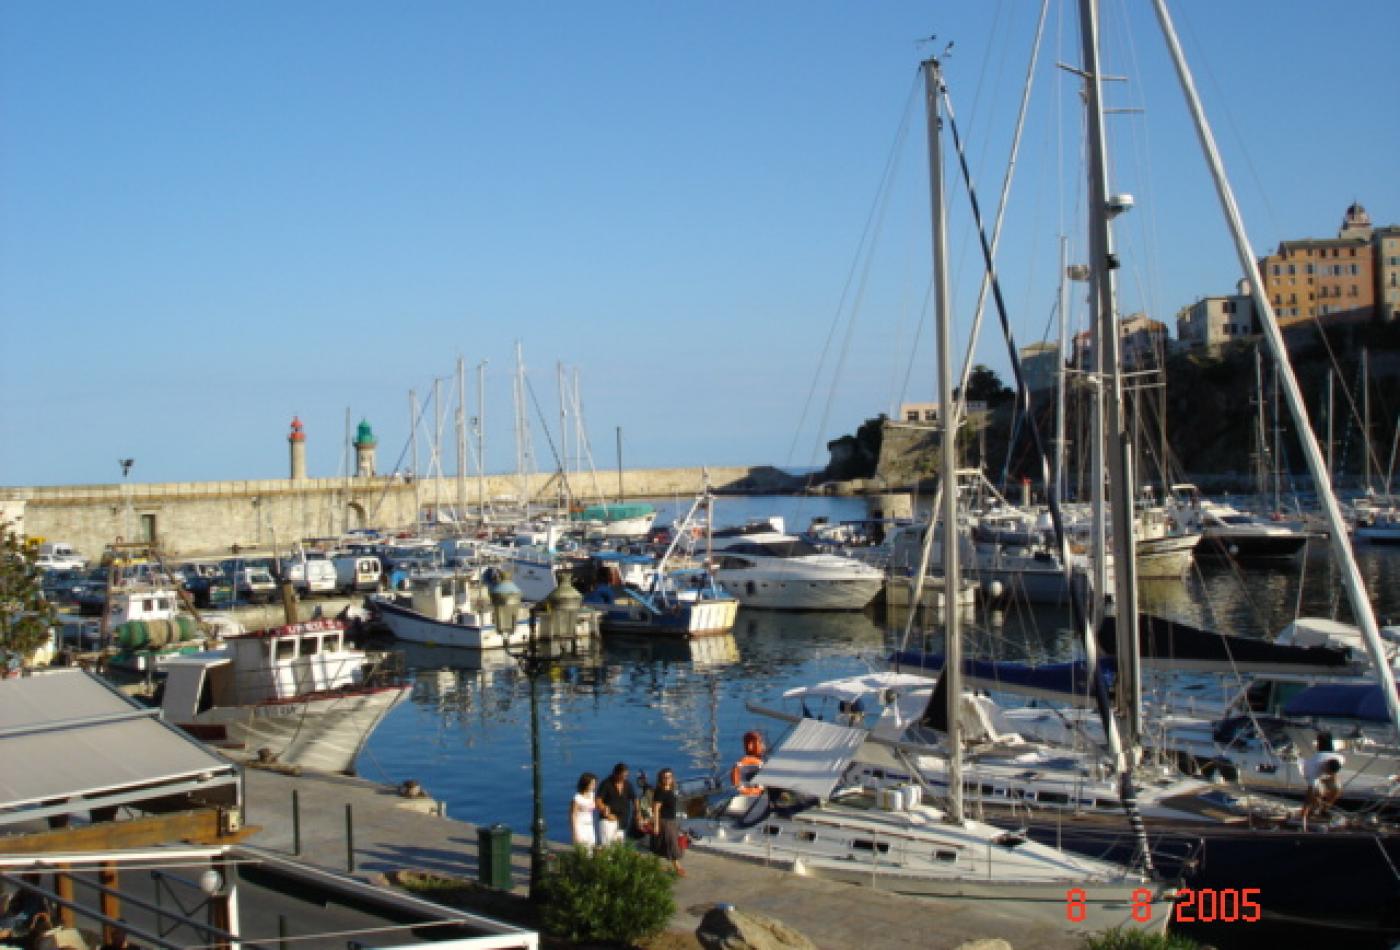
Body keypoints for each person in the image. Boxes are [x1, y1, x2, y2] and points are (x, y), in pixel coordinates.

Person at [649, 767, 685, 876]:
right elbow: (655, 808)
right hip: (665, 822)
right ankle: (678, 867)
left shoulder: (669, 790)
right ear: (661, 779)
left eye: (669, 777)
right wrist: (656, 825)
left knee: (662, 844)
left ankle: (655, 865)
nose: (667, 779)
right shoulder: (660, 792)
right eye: (665, 777)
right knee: (671, 844)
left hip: (671, 821)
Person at [595, 763, 636, 846]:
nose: (624, 778)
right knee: (607, 845)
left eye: (626, 775)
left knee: (619, 847)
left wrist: (637, 813)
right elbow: (598, 800)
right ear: (616, 773)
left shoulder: (628, 784)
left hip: (623, 820)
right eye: (622, 776)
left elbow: (634, 798)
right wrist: (606, 813)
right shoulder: (606, 784)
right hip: (608, 820)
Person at [1301, 758, 1344, 830]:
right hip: (1307, 773)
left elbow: (1333, 776)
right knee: (1318, 792)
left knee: (1337, 787)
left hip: (1322, 776)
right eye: (1329, 771)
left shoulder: (1340, 759)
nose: (1329, 773)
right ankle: (1310, 813)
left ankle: (1324, 810)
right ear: (1326, 765)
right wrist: (1304, 812)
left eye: (1330, 773)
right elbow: (1309, 794)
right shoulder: (1313, 770)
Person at [730, 730, 766, 796]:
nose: (763, 746)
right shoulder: (741, 765)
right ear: (750, 746)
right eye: (760, 743)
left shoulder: (759, 764)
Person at [570, 772, 598, 847]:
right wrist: (575, 833)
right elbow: (573, 816)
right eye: (592, 784)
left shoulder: (592, 794)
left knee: (592, 848)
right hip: (580, 827)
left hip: (590, 826)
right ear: (586, 784)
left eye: (594, 784)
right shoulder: (577, 798)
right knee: (583, 848)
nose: (594, 786)